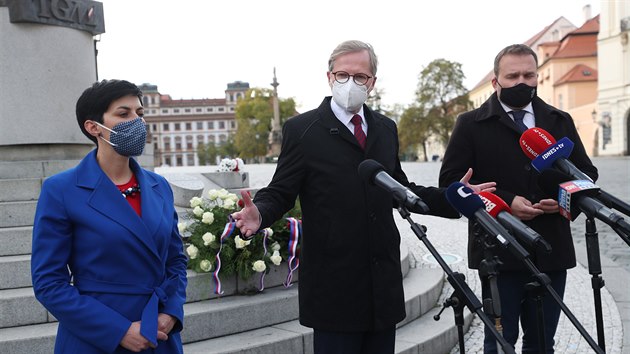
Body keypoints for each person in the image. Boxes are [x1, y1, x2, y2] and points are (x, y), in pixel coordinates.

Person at [232, 40, 495, 354]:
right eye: (343, 75)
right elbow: (281, 192)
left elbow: (401, 188)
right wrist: (259, 214)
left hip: (381, 284)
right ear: (329, 77)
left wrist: (455, 197)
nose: (350, 83)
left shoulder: (385, 128)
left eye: (360, 77)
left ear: (372, 82)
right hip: (334, 287)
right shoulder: (302, 129)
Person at [439, 44, 598, 353]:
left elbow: (586, 173)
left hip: (551, 246)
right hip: (497, 250)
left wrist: (564, 198)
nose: (521, 82)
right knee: (500, 340)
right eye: (512, 76)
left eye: (528, 75)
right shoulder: (470, 124)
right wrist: (506, 201)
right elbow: (451, 183)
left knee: (542, 342)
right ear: (496, 81)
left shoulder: (559, 120)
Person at [31, 79, 188, 353]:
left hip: (159, 333)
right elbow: (49, 282)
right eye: (123, 113)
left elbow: (176, 261)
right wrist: (119, 331)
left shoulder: (158, 186)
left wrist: (171, 313)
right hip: (96, 337)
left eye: (139, 114)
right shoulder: (61, 190)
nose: (137, 122)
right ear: (93, 127)